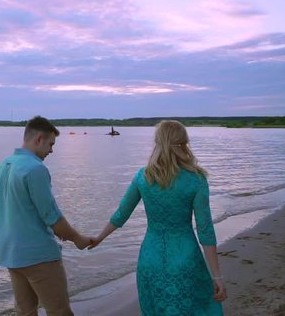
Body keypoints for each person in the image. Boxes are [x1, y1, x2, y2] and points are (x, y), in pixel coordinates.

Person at [90, 120, 226, 315]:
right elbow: (205, 229)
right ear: (184, 143)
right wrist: (217, 276)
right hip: (185, 258)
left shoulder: (143, 177)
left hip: (150, 259)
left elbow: (121, 214)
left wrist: (99, 238)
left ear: (157, 143)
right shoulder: (196, 179)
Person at [0, 115, 91, 316]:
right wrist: (78, 238)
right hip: (38, 255)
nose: (51, 150)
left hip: (11, 253)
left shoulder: (5, 165)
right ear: (39, 138)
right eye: (50, 144)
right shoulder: (35, 169)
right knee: (59, 311)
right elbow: (52, 217)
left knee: (25, 312)